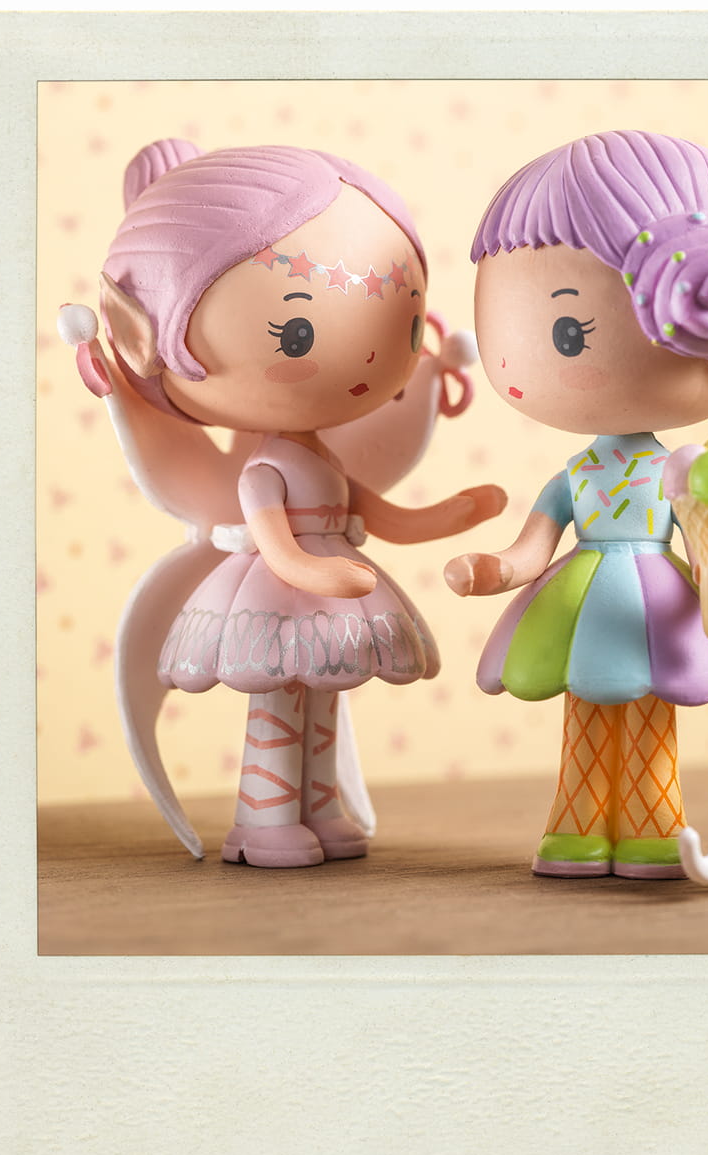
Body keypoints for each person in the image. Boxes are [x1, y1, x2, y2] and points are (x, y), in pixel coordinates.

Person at [79, 138, 504, 867]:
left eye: (402, 327)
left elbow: (379, 516)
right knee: (277, 699)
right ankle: (263, 816)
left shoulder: (327, 459)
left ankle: (322, 806)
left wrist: (451, 514)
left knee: (324, 699)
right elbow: (273, 537)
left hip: (330, 592)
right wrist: (315, 572)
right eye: (296, 331)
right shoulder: (265, 468)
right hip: (277, 596)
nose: (367, 355)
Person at [445, 129, 708, 879]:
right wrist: (495, 570)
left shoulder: (682, 471)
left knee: (648, 719)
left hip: (655, 608)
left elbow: (705, 545)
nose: (515, 357)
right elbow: (533, 547)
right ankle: (574, 827)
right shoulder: (576, 474)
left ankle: (652, 826)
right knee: (586, 714)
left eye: (567, 331)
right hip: (582, 603)